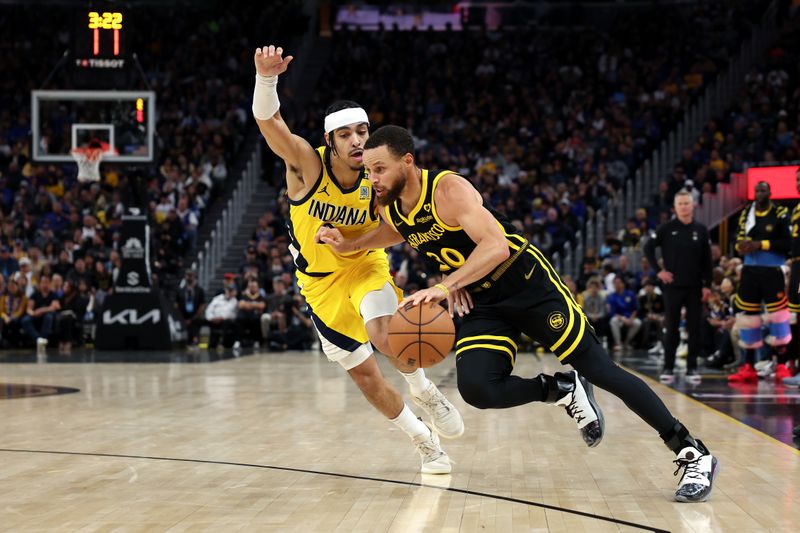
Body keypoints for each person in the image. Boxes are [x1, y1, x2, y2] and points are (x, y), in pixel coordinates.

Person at [320, 125, 718, 502]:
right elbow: (397, 232)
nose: (372, 177)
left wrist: (445, 286)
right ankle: (560, 390)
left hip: (527, 285)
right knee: (478, 389)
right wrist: (348, 246)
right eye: (369, 170)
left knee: (602, 370)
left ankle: (691, 451)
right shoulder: (390, 205)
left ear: (407, 162)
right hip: (482, 303)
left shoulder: (449, 189)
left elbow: (496, 247)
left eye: (379, 168)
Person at [252, 44, 463, 474]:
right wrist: (266, 79)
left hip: (365, 265)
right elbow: (269, 122)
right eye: (346, 134)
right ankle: (424, 441)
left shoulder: (380, 174)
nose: (358, 141)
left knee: (385, 333)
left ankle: (424, 389)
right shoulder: (306, 165)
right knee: (367, 379)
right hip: (319, 285)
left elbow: (406, 223)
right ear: (329, 141)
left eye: (363, 132)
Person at [644, 190, 712, 383]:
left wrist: (708, 285)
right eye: (680, 203)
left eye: (686, 203)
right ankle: (668, 367)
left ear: (692, 206)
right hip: (672, 286)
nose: (683, 206)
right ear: (675, 207)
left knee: (694, 328)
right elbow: (648, 248)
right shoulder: (666, 228)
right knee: (671, 327)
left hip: (695, 287)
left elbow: (707, 260)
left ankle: (692, 368)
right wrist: (658, 271)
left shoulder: (701, 229)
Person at [728, 181, 792, 383]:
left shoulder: (781, 212)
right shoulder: (747, 213)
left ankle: (782, 364)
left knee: (778, 318)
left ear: (770, 192)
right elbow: (737, 238)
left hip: (773, 271)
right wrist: (741, 246)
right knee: (748, 318)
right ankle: (748, 367)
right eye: (756, 190)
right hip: (750, 271)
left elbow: (788, 243)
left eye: (763, 190)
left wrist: (760, 244)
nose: (759, 193)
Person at [783, 168, 800, 387]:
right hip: (796, 264)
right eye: (797, 179)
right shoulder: (796, 208)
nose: (798, 183)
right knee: (796, 321)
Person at [607, 276, 642, 352]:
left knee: (638, 323)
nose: (616, 285)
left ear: (623, 284)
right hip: (619, 318)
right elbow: (612, 312)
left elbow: (635, 309)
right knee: (613, 321)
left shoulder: (630, 294)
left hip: (630, 317)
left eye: (618, 283)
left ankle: (627, 342)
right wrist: (623, 319)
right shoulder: (611, 296)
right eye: (615, 283)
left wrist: (631, 319)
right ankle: (618, 343)